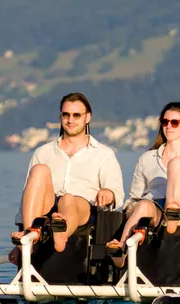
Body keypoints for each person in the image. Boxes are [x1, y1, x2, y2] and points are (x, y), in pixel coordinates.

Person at [9, 92, 125, 264]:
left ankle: (61, 234)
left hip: (82, 206)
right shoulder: (43, 152)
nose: (70, 120)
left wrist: (109, 193)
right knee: (39, 170)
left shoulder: (104, 154)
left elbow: (118, 196)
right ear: (61, 116)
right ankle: (28, 237)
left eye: (76, 115)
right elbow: (29, 194)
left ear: (87, 118)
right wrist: (21, 226)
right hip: (47, 206)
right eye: (66, 115)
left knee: (68, 199)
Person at [106, 101, 180, 267]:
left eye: (174, 122)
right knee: (143, 204)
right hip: (156, 212)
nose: (168, 127)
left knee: (176, 164)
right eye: (165, 122)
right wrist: (133, 210)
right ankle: (121, 250)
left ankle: (172, 209)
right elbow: (134, 199)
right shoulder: (147, 159)